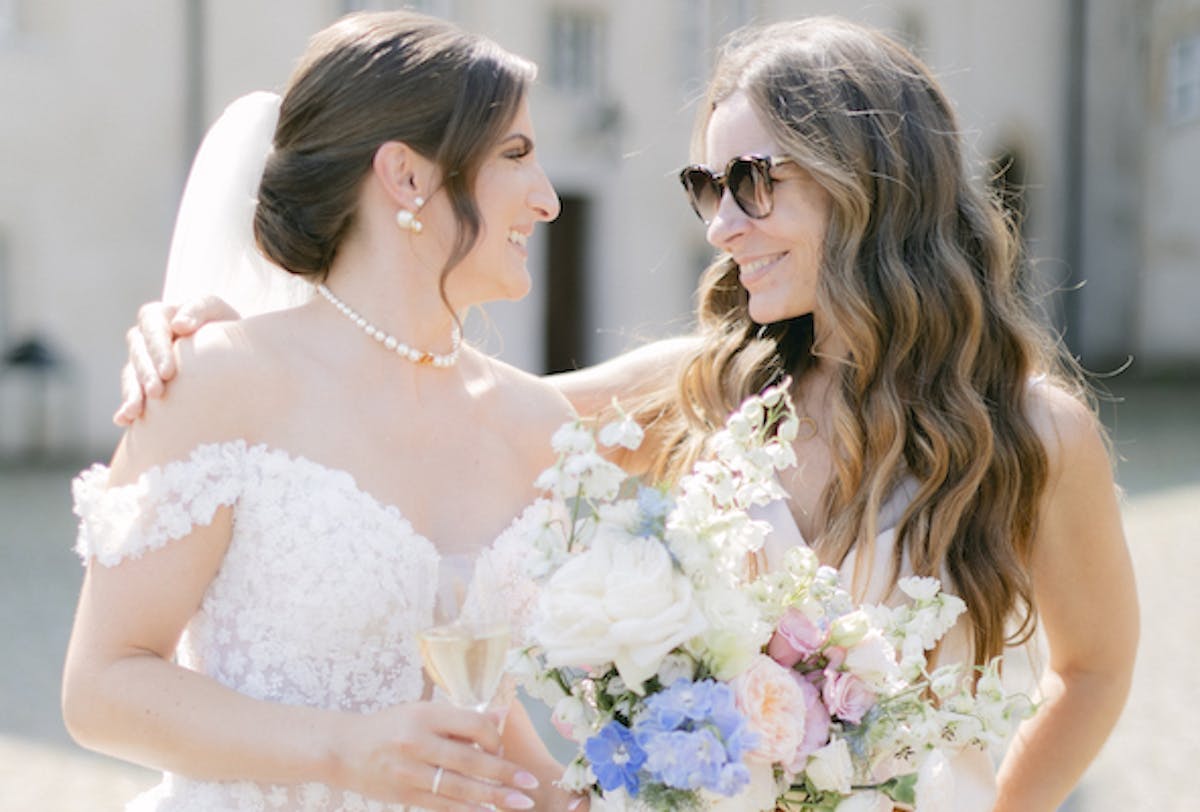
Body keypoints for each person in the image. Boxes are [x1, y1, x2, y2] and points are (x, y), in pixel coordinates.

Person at [116, 16, 1137, 812]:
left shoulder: (1038, 435)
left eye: (752, 182)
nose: (722, 224)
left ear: (868, 182)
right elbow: (409, 418)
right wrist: (238, 331)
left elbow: (1093, 668)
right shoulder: (700, 388)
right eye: (707, 187)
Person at [63, 11, 586, 811]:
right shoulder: (217, 380)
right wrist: (339, 752)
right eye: (515, 154)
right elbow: (101, 689)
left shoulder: (536, 423)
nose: (546, 200)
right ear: (406, 178)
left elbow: (482, 715)